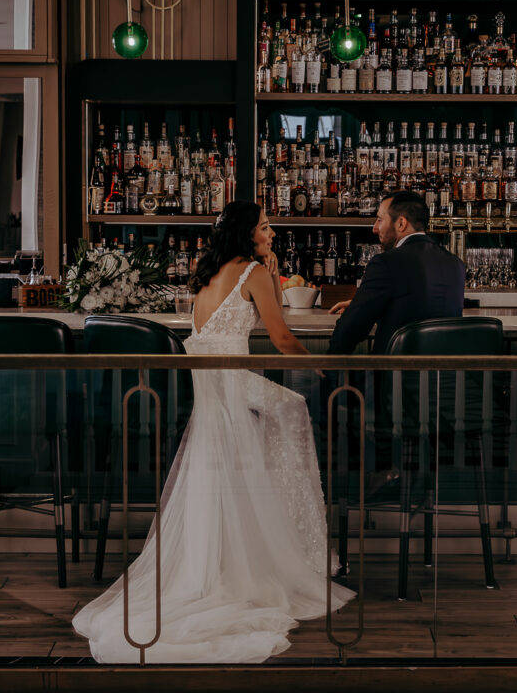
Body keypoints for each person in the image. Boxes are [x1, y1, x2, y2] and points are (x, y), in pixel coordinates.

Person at [73, 201, 354, 663]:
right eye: (265, 227)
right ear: (247, 233)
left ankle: (267, 532)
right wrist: (317, 365)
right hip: (232, 388)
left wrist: (274, 268)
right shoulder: (253, 274)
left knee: (283, 413)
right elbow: (281, 337)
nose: (272, 232)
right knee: (296, 407)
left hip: (211, 400)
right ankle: (289, 540)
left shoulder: (208, 275)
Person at [328, 190, 465, 355]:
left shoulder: (385, 263)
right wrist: (367, 303)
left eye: (380, 220)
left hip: (397, 376)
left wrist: (326, 365)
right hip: (448, 377)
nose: (375, 228)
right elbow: (422, 308)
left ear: (401, 224)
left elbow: (351, 329)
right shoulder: (455, 264)